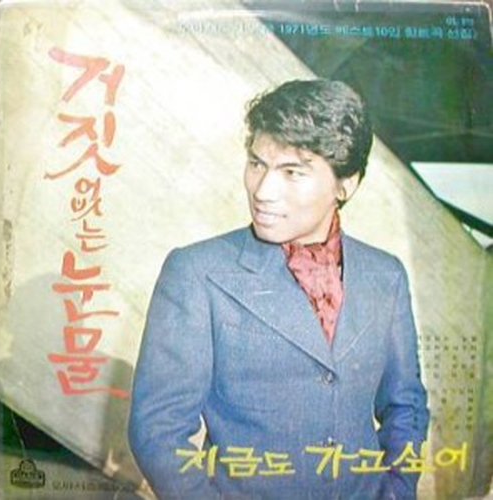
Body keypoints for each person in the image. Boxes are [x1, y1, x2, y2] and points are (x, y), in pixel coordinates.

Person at [128, 79, 429, 500]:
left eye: (292, 173)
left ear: (346, 184)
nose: (262, 190)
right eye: (257, 164)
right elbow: (157, 432)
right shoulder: (197, 272)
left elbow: (405, 406)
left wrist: (397, 491)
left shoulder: (386, 275)